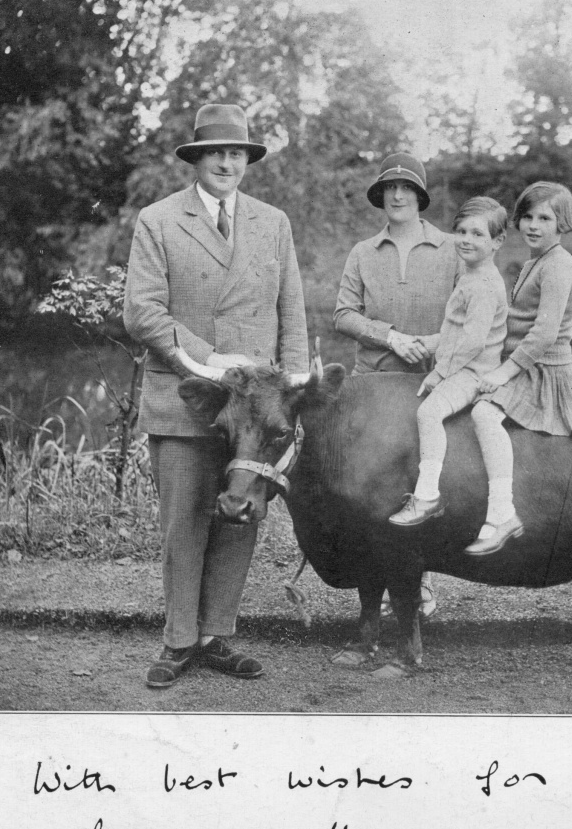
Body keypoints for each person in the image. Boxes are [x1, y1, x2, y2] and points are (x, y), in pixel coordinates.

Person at [123, 103, 309, 688]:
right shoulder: (157, 220)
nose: (227, 163)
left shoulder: (272, 222)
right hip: (185, 397)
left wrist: (293, 392)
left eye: (238, 154)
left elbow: (291, 313)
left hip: (254, 412)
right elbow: (141, 310)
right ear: (197, 159)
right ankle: (178, 643)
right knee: (183, 522)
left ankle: (216, 636)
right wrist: (205, 356)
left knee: (240, 515)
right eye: (216, 153)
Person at [334, 152, 462, 616]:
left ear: (421, 196)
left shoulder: (451, 248)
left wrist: (429, 342)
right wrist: (390, 336)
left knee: (426, 480)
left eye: (407, 188)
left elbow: (476, 312)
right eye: (390, 188)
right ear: (381, 196)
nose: (398, 195)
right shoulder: (363, 253)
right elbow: (343, 314)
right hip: (373, 385)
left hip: (433, 381)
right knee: (373, 488)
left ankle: (420, 583)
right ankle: (382, 585)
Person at [465, 181, 572, 556]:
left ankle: (502, 513)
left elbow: (544, 333)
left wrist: (503, 373)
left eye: (545, 218)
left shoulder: (559, 264)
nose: (533, 225)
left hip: (543, 368)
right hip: (521, 361)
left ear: (562, 223)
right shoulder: (537, 261)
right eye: (528, 217)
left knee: (484, 414)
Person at [389, 196, 509, 530]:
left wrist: (439, 373)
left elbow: (470, 342)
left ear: (498, 241)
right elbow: (454, 331)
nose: (467, 240)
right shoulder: (471, 276)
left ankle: (427, 496)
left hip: (473, 372)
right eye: (461, 232)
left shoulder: (483, 285)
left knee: (428, 413)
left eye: (478, 234)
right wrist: (428, 344)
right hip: (464, 364)